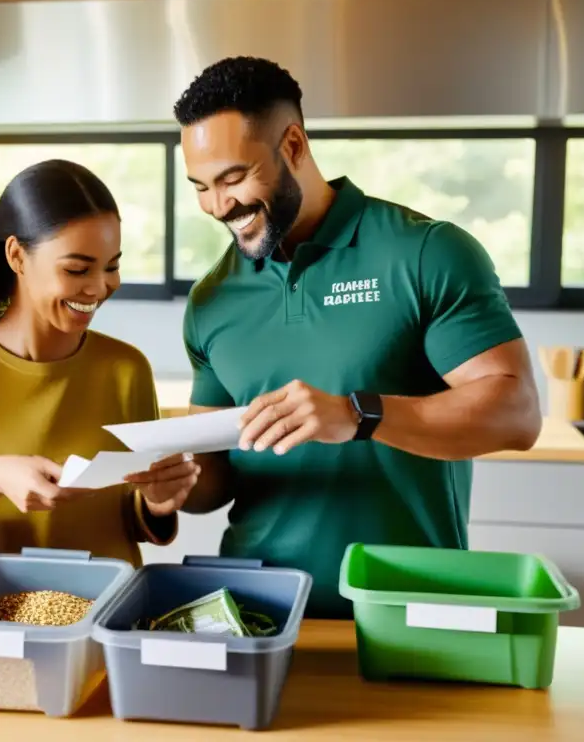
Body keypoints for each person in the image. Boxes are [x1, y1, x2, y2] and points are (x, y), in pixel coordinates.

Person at [167, 56, 543, 618]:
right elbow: (214, 475)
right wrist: (166, 484)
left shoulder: (425, 253)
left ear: (292, 145)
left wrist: (359, 414)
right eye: (201, 186)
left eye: (233, 177)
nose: (219, 206)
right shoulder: (212, 298)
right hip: (259, 613)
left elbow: (517, 414)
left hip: (407, 606)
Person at [0, 159, 200, 567]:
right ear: (17, 256)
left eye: (112, 266)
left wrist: (157, 503)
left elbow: (128, 520)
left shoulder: (126, 369)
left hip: (109, 615)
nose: (100, 286)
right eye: (77, 268)